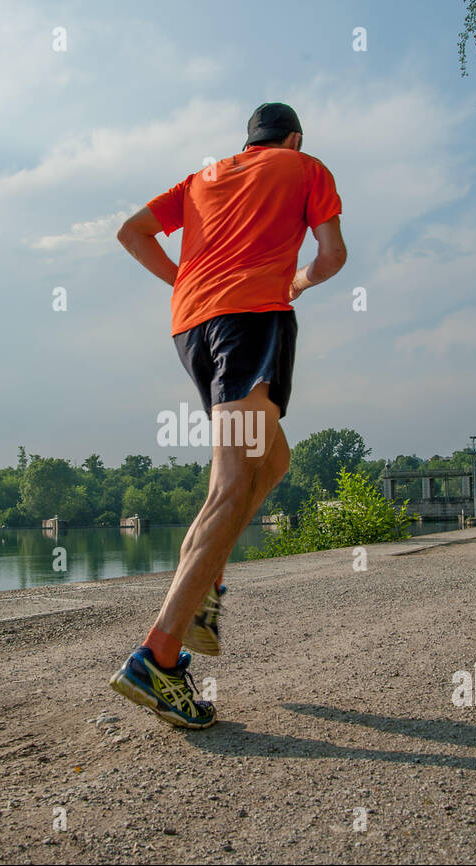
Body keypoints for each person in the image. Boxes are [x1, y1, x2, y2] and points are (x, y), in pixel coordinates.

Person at [109, 102, 347, 729]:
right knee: (233, 481)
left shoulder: (203, 177)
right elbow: (332, 255)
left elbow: (131, 231)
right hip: (252, 324)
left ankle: (207, 589)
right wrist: (297, 282)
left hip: (193, 326)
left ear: (248, 142)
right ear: (292, 138)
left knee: (274, 459)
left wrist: (185, 278)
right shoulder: (304, 166)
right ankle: (157, 656)